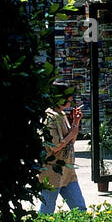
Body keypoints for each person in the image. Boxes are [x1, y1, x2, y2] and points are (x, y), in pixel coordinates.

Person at [38, 82, 87, 214]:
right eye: (68, 97)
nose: (71, 100)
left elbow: (70, 143)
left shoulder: (62, 115)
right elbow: (54, 147)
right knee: (47, 211)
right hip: (52, 172)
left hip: (67, 171)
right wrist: (72, 133)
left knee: (80, 208)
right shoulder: (49, 117)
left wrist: (75, 123)